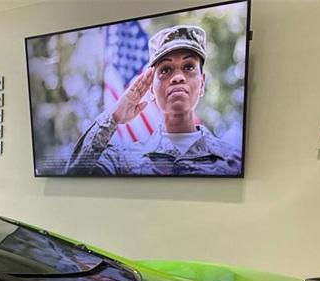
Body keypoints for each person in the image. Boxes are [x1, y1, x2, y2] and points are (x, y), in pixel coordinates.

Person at [67, 25, 243, 176]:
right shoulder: (126, 159)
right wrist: (114, 116)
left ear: (202, 83)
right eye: (166, 70)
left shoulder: (232, 161)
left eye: (188, 67)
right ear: (151, 88)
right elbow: (74, 174)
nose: (178, 77)